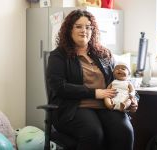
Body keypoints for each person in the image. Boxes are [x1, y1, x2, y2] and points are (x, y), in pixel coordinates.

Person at [47, 9, 138, 150]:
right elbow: (59, 87)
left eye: (88, 27)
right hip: (75, 107)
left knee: (125, 132)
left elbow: (122, 80)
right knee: (93, 133)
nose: (84, 30)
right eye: (79, 26)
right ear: (69, 29)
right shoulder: (58, 56)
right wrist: (95, 93)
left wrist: (132, 99)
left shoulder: (103, 54)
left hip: (106, 106)